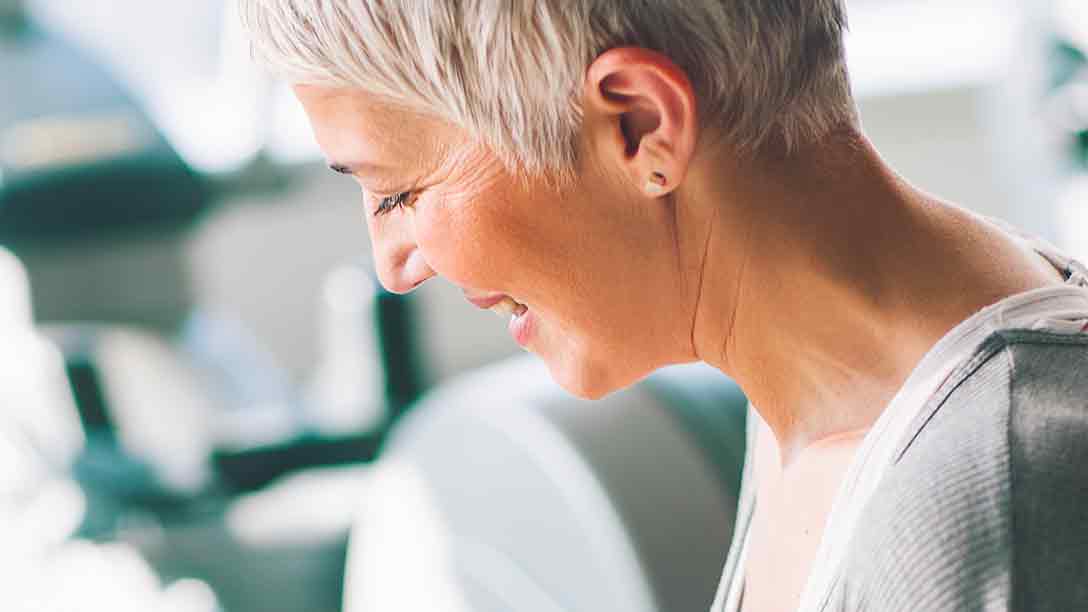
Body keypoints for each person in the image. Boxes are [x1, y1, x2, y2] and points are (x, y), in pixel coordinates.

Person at [237, 2, 1088, 610]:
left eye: (398, 194)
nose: (394, 266)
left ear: (639, 124)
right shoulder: (821, 393)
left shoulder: (987, 509)